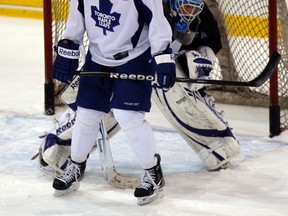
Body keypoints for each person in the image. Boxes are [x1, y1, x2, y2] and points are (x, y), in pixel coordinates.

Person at [50, 0, 176, 205]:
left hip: (135, 58)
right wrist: (68, 47)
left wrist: (162, 57)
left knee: (127, 115)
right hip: (98, 57)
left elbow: (157, 25)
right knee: (86, 113)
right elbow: (75, 22)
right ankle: (76, 165)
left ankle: (153, 172)